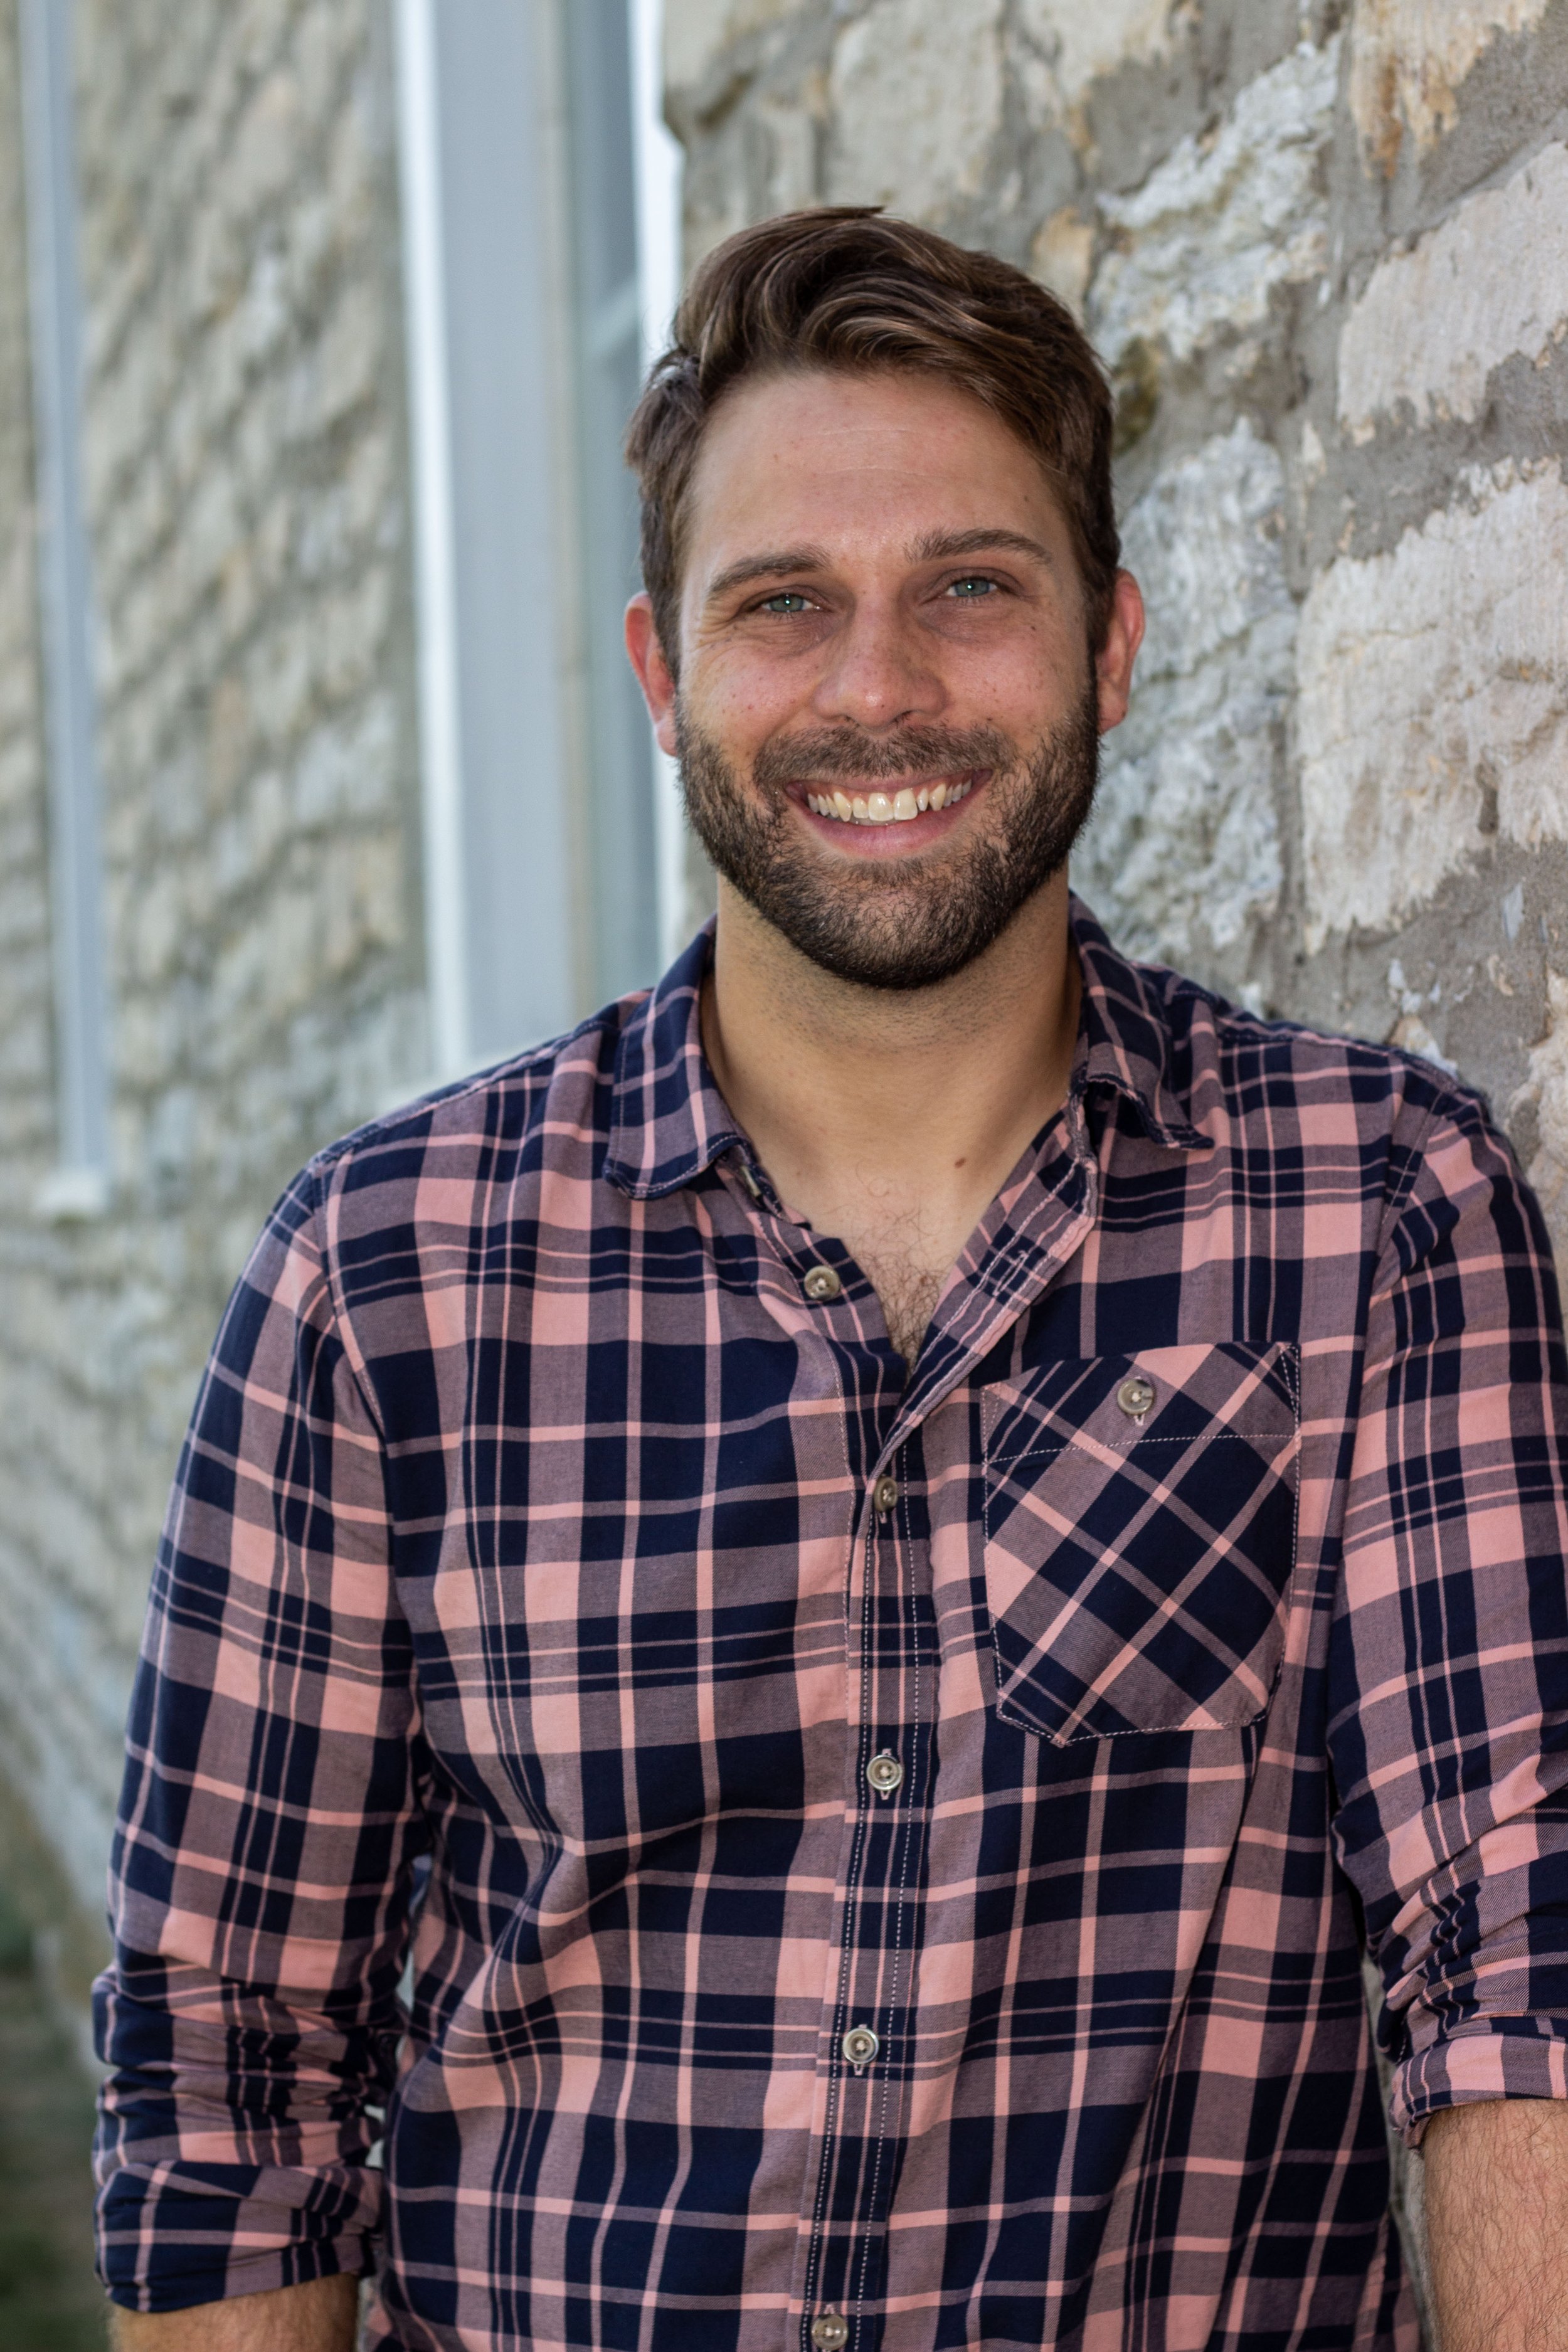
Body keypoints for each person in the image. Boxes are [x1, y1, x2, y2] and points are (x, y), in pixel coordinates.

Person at [95, 208, 1568, 2352]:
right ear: (662, 675)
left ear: (1111, 646)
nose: (877, 687)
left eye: (969, 587)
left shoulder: (1374, 1211)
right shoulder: (385, 1275)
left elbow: (1510, 1945)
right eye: (784, 603)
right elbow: (230, 2052)